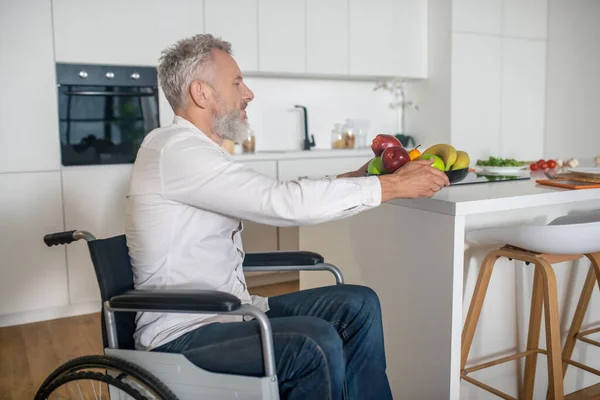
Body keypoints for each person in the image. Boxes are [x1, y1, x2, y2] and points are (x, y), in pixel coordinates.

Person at [125, 33, 450, 399]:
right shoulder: (176, 151)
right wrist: (392, 187)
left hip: (234, 312)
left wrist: (359, 178)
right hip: (186, 332)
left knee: (358, 305)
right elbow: (280, 202)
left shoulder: (195, 152)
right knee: (314, 344)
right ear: (202, 93)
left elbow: (279, 191)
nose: (248, 93)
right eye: (236, 82)